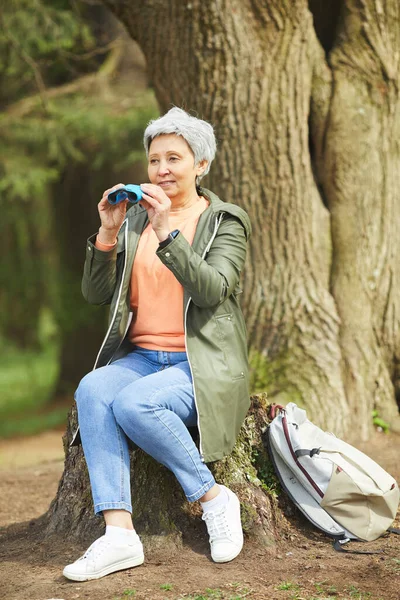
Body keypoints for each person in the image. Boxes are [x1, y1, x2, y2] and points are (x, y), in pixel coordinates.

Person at [63, 107, 252, 582]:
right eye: (154, 160)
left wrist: (167, 230)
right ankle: (120, 535)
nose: (162, 170)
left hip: (199, 364)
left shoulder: (224, 221)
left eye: (175, 158)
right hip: (143, 358)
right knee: (92, 389)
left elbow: (212, 289)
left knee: (135, 405)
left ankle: (212, 498)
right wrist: (108, 230)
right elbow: (95, 294)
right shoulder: (133, 222)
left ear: (201, 165)